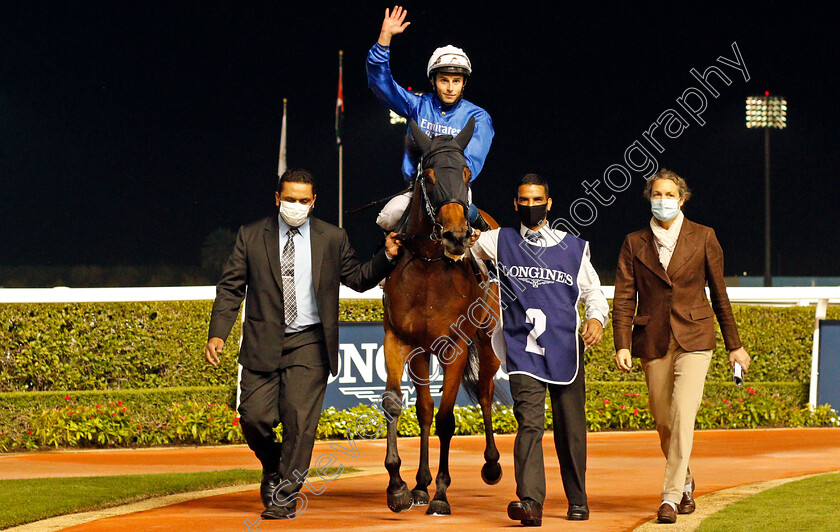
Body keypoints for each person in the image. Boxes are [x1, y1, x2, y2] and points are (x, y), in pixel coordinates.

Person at [205, 169, 401, 519]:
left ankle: (284, 496)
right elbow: (231, 288)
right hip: (262, 342)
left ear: (314, 202)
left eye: (303, 200)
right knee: (253, 418)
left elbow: (357, 279)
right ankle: (273, 464)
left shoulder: (332, 237)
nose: (296, 206)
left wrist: (386, 257)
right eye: (290, 199)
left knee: (299, 421)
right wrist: (218, 332)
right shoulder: (250, 236)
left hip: (310, 344)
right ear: (277, 199)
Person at [612, 168, 751, 524]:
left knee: (682, 414)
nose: (662, 200)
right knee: (663, 420)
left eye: (669, 194)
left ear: (682, 198)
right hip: (653, 339)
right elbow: (625, 297)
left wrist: (734, 346)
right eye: (656, 195)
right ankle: (686, 478)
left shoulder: (704, 237)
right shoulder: (634, 242)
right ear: (649, 198)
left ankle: (671, 496)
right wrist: (622, 343)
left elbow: (720, 295)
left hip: (696, 338)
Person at [470, 173, 608, 526]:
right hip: (522, 351)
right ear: (516, 204)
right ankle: (530, 502)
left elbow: (593, 292)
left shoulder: (573, 246)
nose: (531, 206)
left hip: (565, 350)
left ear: (549, 203)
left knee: (570, 429)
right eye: (524, 200)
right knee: (528, 425)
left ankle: (578, 499)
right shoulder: (498, 240)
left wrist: (596, 320)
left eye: (537, 200)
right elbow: (457, 246)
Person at [367, 5, 494, 232]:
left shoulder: (478, 117)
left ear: (464, 83)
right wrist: (384, 39)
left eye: (456, 81)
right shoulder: (418, 105)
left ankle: (490, 264)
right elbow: (380, 83)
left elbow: (472, 163)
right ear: (433, 81)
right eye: (444, 80)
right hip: (417, 189)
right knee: (387, 217)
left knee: (481, 243)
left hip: (457, 192)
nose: (450, 88)